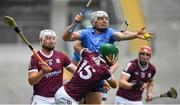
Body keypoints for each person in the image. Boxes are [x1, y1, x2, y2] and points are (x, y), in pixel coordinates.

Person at [63, 10, 153, 104]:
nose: (105, 21)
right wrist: (75, 23)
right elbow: (66, 38)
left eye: (106, 19)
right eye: (101, 19)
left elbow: (122, 35)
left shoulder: (110, 33)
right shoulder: (85, 34)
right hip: (82, 79)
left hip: (98, 81)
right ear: (93, 22)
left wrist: (135, 34)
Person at [28, 29, 77, 105]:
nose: (51, 41)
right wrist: (42, 72)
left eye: (53, 38)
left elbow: (77, 72)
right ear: (41, 40)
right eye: (48, 38)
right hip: (41, 98)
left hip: (59, 97)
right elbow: (31, 81)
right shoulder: (35, 58)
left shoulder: (61, 56)